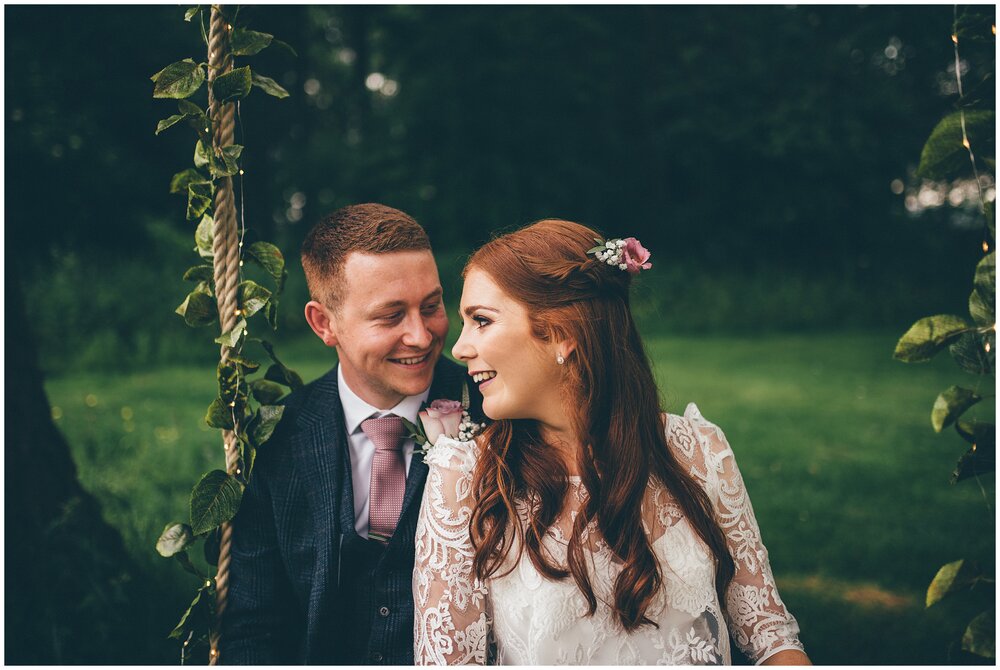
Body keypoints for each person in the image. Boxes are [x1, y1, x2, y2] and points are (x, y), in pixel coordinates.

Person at [413, 219, 810, 665]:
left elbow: (770, 636)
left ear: (563, 333)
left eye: (482, 320)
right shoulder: (465, 479)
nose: (461, 348)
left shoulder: (700, 451)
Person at [220, 203, 481, 664]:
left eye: (431, 306)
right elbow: (255, 625)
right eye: (390, 316)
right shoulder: (280, 437)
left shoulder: (493, 413)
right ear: (324, 323)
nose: (421, 336)